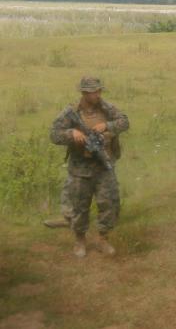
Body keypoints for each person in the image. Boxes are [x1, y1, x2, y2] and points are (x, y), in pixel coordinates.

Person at [49, 76, 129, 257]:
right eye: (94, 92)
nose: (98, 94)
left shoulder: (106, 108)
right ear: (84, 93)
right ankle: (79, 241)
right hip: (80, 168)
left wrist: (106, 125)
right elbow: (54, 135)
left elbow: (124, 122)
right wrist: (72, 133)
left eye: (99, 90)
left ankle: (103, 240)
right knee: (79, 206)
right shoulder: (71, 112)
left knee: (109, 204)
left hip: (104, 166)